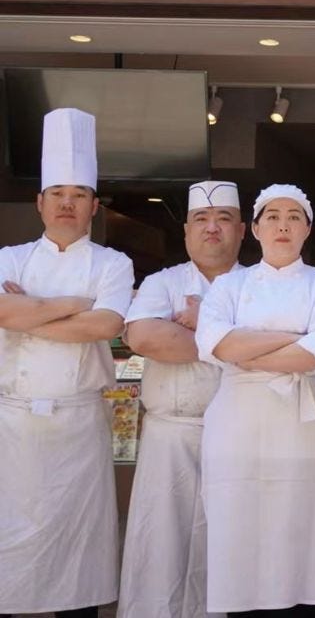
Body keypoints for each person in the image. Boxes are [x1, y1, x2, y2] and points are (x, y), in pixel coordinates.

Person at [0, 108, 134, 618]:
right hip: (13, 425)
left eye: (78, 195)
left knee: (80, 558)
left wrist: (28, 312)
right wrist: (75, 304)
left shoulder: (112, 263)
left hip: (80, 426)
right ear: (39, 202)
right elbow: (2, 312)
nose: (67, 204)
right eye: (57, 193)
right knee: (10, 550)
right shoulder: (8, 258)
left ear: (94, 207)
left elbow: (106, 325)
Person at [195, 184, 315, 616]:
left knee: (301, 528)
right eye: (274, 216)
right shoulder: (229, 285)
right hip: (236, 426)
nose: (283, 225)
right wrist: (293, 338)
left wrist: (248, 351)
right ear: (256, 228)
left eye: (294, 217)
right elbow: (215, 344)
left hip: (300, 424)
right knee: (239, 528)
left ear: (308, 229)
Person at [118, 180, 245, 618]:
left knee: (228, 551)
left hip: (239, 437)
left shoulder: (259, 285)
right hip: (168, 439)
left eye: (223, 219)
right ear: (187, 230)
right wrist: (232, 339)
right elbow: (144, 338)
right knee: (160, 552)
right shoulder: (162, 282)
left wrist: (194, 326)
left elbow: (279, 351)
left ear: (241, 231)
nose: (212, 228)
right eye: (201, 219)